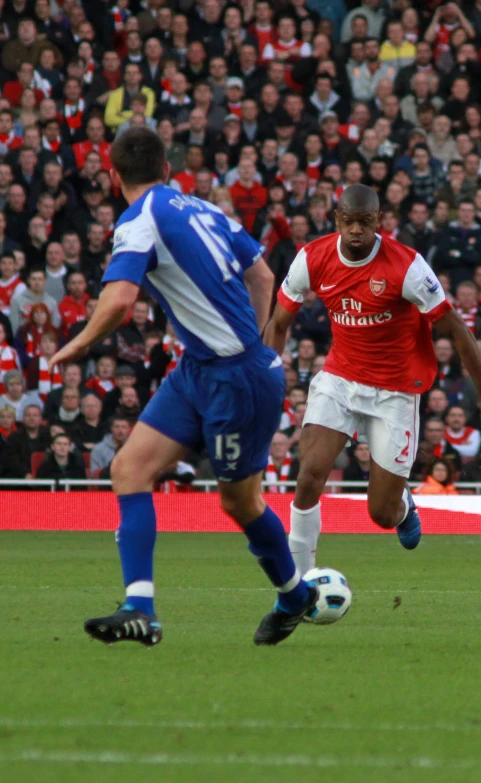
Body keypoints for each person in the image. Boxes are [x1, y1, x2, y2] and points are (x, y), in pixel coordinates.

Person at [50, 127, 316, 648]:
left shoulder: (138, 220)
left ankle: (294, 596)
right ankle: (140, 609)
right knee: (129, 468)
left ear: (112, 176)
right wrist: (260, 344)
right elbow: (262, 277)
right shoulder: (204, 209)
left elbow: (122, 298)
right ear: (168, 170)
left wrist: (80, 343)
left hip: (236, 379)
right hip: (200, 370)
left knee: (240, 504)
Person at [264, 184, 481, 575]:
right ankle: (297, 587)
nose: (357, 230)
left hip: (394, 390)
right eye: (349, 222)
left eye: (365, 222)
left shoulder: (407, 267)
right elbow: (278, 323)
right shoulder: (311, 259)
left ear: (379, 222)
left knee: (380, 513)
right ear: (337, 221)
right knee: (309, 473)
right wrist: (266, 378)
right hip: (340, 379)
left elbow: (457, 331)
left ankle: (403, 506)